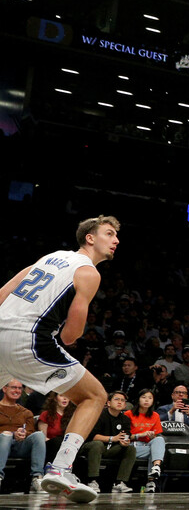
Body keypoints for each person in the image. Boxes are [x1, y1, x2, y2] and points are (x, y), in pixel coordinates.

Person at [0, 215, 119, 503]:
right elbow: (70, 336)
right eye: (110, 233)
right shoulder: (89, 273)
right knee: (95, 395)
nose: (116, 240)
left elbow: (3, 293)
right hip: (29, 339)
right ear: (89, 238)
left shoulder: (49, 257)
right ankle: (61, 468)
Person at [78, 391, 136, 494]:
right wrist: (113, 438)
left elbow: (126, 435)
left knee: (131, 449)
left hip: (111, 449)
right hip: (91, 446)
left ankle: (119, 483)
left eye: (122, 400)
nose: (120, 402)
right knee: (98, 444)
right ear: (108, 403)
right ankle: (92, 481)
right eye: (116, 399)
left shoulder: (125, 419)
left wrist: (125, 442)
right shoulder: (99, 415)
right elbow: (93, 436)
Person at [0, 380, 47, 493]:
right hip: (1, 443)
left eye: (20, 388)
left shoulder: (26, 412)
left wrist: (24, 434)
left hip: (19, 446)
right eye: (13, 387)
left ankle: (37, 477)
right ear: (4, 389)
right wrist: (11, 434)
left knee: (39, 435)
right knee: (6, 435)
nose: (17, 391)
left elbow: (30, 431)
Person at [125, 389, 164, 493]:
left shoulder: (155, 415)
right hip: (132, 446)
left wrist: (151, 436)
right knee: (155, 452)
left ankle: (156, 467)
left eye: (150, 398)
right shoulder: (129, 414)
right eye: (144, 397)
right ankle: (151, 482)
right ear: (138, 399)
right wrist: (139, 435)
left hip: (147, 445)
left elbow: (155, 436)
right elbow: (124, 436)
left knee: (159, 439)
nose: (147, 400)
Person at [38, 392, 75, 464]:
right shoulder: (46, 414)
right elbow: (42, 437)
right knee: (57, 442)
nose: (65, 398)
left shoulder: (73, 415)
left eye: (67, 396)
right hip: (50, 445)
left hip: (66, 446)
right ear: (55, 398)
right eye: (61, 396)